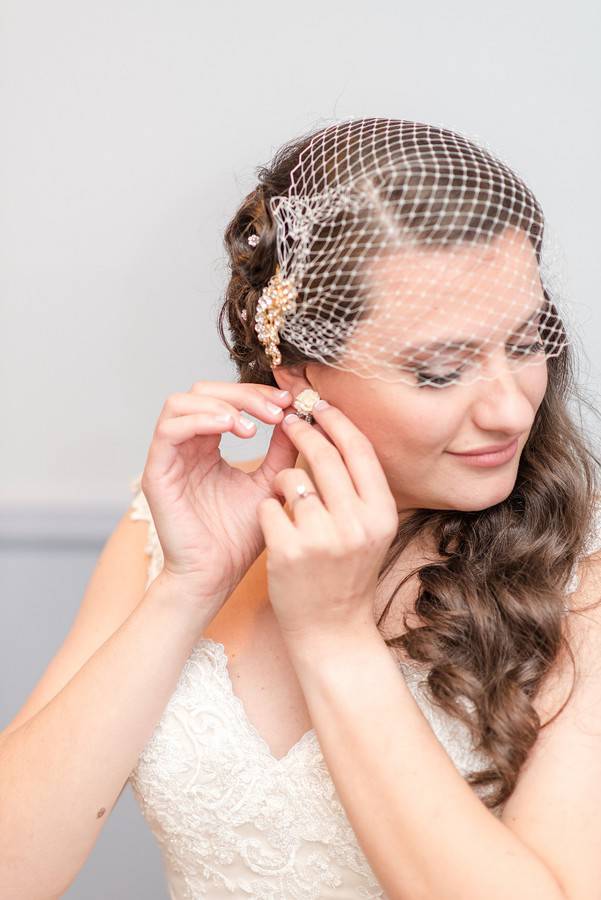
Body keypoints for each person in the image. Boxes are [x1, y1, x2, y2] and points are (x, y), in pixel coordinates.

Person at [1, 117, 600, 899]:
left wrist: (334, 636)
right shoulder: (168, 532)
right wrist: (189, 586)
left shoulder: (581, 578)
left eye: (524, 343)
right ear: (297, 372)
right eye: (438, 371)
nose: (510, 409)